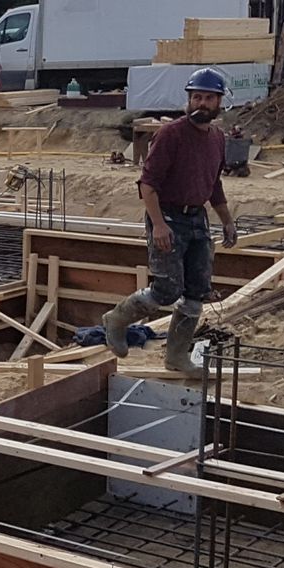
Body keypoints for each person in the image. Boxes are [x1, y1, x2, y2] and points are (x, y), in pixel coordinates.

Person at [101, 67, 240, 372]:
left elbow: (214, 184)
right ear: (188, 100)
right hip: (167, 216)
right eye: (196, 97)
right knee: (167, 290)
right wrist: (159, 225)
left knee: (196, 291)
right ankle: (117, 318)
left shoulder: (217, 138)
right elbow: (148, 185)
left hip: (197, 219)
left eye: (208, 99)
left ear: (219, 103)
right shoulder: (171, 135)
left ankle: (176, 357)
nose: (201, 103)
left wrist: (227, 220)